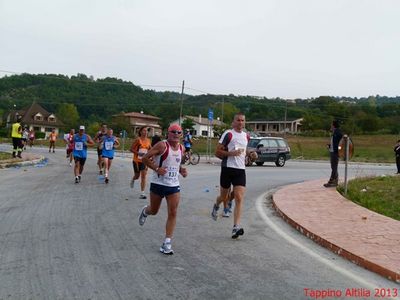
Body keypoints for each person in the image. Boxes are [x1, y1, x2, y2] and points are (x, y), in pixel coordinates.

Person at [139, 124, 188, 255]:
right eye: (173, 132)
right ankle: (145, 211)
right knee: (154, 211)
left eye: (179, 132)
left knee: (173, 212)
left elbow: (176, 164)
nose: (176, 134)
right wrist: (156, 168)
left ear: (181, 134)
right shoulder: (162, 145)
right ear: (168, 133)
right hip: (158, 183)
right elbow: (144, 158)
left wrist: (181, 170)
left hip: (173, 185)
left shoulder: (182, 148)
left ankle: (167, 242)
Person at [211, 112, 257, 239]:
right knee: (223, 196)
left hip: (240, 170)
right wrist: (231, 153)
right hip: (227, 169)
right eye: (238, 120)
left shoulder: (246, 136)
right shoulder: (228, 134)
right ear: (233, 121)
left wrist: (251, 153)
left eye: (243, 120)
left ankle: (235, 227)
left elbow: (243, 150)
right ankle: (216, 204)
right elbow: (217, 151)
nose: (241, 122)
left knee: (239, 197)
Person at [130, 126, 152, 199]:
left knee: (143, 176)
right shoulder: (138, 140)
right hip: (136, 161)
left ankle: (142, 193)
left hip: (144, 161)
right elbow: (131, 149)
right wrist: (138, 153)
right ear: (140, 132)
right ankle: (133, 179)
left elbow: (150, 149)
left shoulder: (148, 140)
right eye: (144, 131)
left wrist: (152, 154)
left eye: (146, 131)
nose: (145, 132)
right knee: (137, 176)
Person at [324, 120, 343, 187]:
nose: (330, 126)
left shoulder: (338, 132)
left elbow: (342, 140)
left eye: (331, 125)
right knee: (333, 166)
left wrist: (338, 149)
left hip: (335, 152)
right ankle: (335, 181)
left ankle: (332, 181)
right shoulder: (334, 132)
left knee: (334, 167)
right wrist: (329, 145)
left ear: (334, 125)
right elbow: (334, 142)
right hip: (332, 151)